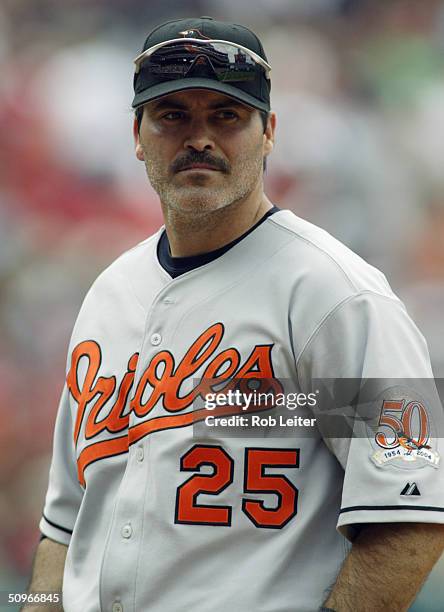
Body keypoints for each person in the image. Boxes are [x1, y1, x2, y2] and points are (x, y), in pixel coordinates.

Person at [26, 16, 444, 612]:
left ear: (269, 131)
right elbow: (63, 527)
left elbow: (415, 512)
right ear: (138, 136)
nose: (200, 138)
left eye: (227, 116)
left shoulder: (340, 294)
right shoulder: (108, 294)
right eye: (173, 115)